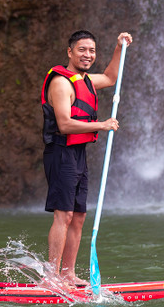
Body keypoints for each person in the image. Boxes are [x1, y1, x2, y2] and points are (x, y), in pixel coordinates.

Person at [40, 30, 133, 287]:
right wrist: (101, 125)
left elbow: (110, 77)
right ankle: (51, 277)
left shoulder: (87, 80)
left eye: (92, 51)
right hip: (60, 152)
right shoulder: (61, 83)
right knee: (64, 215)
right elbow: (64, 124)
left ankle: (68, 274)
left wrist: (119, 47)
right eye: (82, 50)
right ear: (70, 52)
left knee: (78, 216)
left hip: (78, 153)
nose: (88, 55)